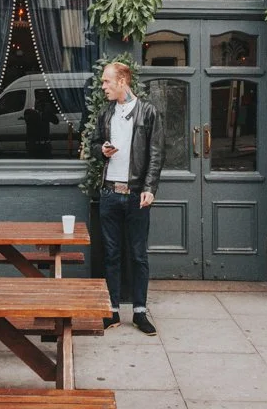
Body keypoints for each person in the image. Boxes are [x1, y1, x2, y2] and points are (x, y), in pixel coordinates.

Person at [91, 62, 164, 336]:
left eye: (107, 82)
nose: (103, 87)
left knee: (138, 254)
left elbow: (156, 153)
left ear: (122, 81)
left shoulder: (147, 112)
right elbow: (94, 143)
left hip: (136, 195)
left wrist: (150, 187)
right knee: (110, 254)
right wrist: (103, 150)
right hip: (110, 193)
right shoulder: (106, 112)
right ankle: (111, 311)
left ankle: (140, 312)